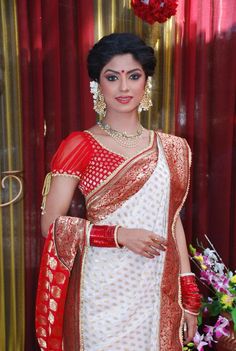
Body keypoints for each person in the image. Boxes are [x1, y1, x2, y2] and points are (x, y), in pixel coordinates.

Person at [36, 33, 201, 351]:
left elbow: (172, 219)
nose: (124, 88)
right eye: (112, 77)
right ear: (97, 84)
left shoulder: (172, 148)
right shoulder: (80, 145)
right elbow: (51, 225)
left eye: (134, 76)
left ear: (146, 82)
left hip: (156, 286)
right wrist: (119, 235)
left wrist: (187, 289)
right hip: (102, 291)